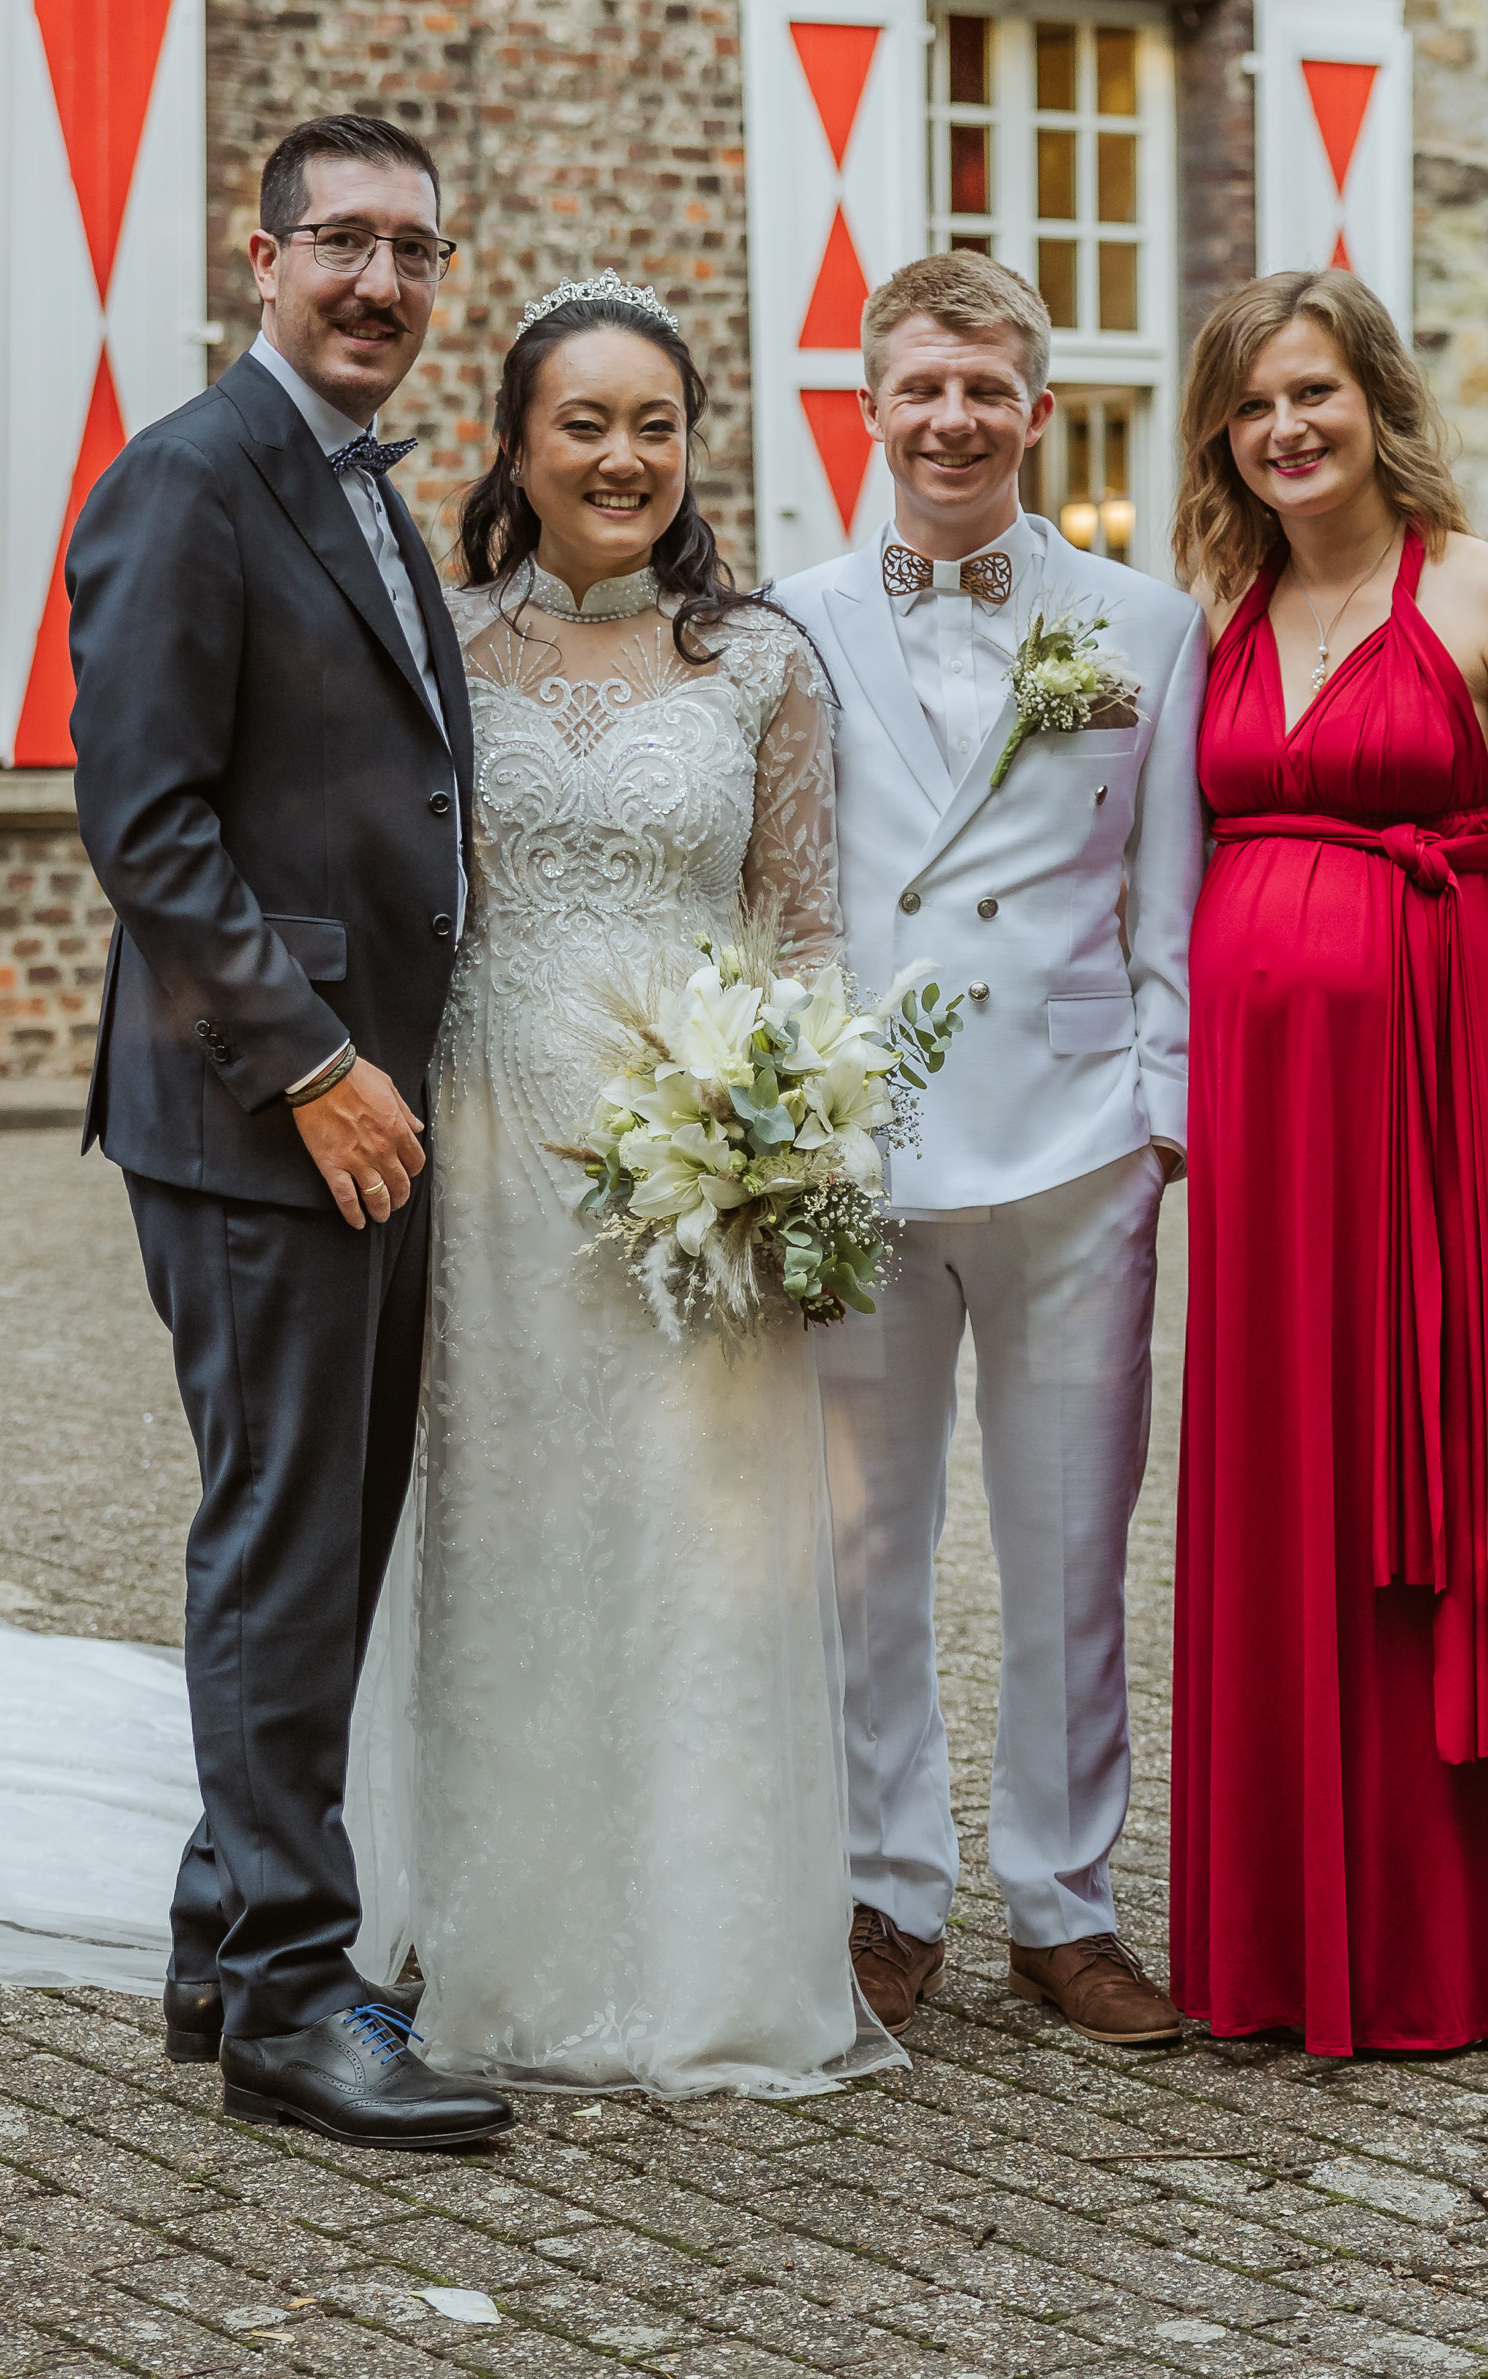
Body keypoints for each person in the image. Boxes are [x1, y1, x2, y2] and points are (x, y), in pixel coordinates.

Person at [339, 273, 892, 2097]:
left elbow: (803, 935)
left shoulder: (762, 663)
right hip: (488, 1153)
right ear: (515, 444)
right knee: (503, 1536)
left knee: (691, 1549)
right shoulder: (438, 646)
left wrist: (801, 1146)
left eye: (656, 424)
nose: (623, 456)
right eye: (584, 422)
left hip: (694, 1172)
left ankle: (694, 1950)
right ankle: (495, 1935)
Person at [63, 114, 515, 2148]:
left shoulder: (359, 488)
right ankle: (287, 2005)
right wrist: (317, 1067)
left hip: (374, 1109)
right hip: (269, 1113)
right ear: (263, 259)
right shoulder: (189, 476)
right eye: (343, 242)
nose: (381, 284)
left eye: (415, 251)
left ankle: (217, 1934)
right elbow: (145, 821)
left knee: (324, 1535)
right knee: (279, 1542)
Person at [1162, 267, 1488, 2057]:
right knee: (1291, 1481)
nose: (1285, 429)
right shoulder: (1216, 613)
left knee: (1459, 1479)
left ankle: (1476, 1949)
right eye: (1251, 406)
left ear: (1377, 399)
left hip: (1451, 1101)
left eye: (1313, 392)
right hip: (1270, 1139)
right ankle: (1291, 1940)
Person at [771, 253, 1206, 2050]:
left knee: (1071, 1540)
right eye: (921, 388)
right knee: (863, 1546)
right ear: (870, 408)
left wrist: (1164, 1115)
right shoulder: (785, 623)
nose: (952, 419)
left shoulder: (1147, 623)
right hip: (861, 1145)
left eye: (985, 390)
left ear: (1037, 410)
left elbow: (1166, 892)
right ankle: (889, 1892)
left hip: (1076, 1138)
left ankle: (1064, 1904)